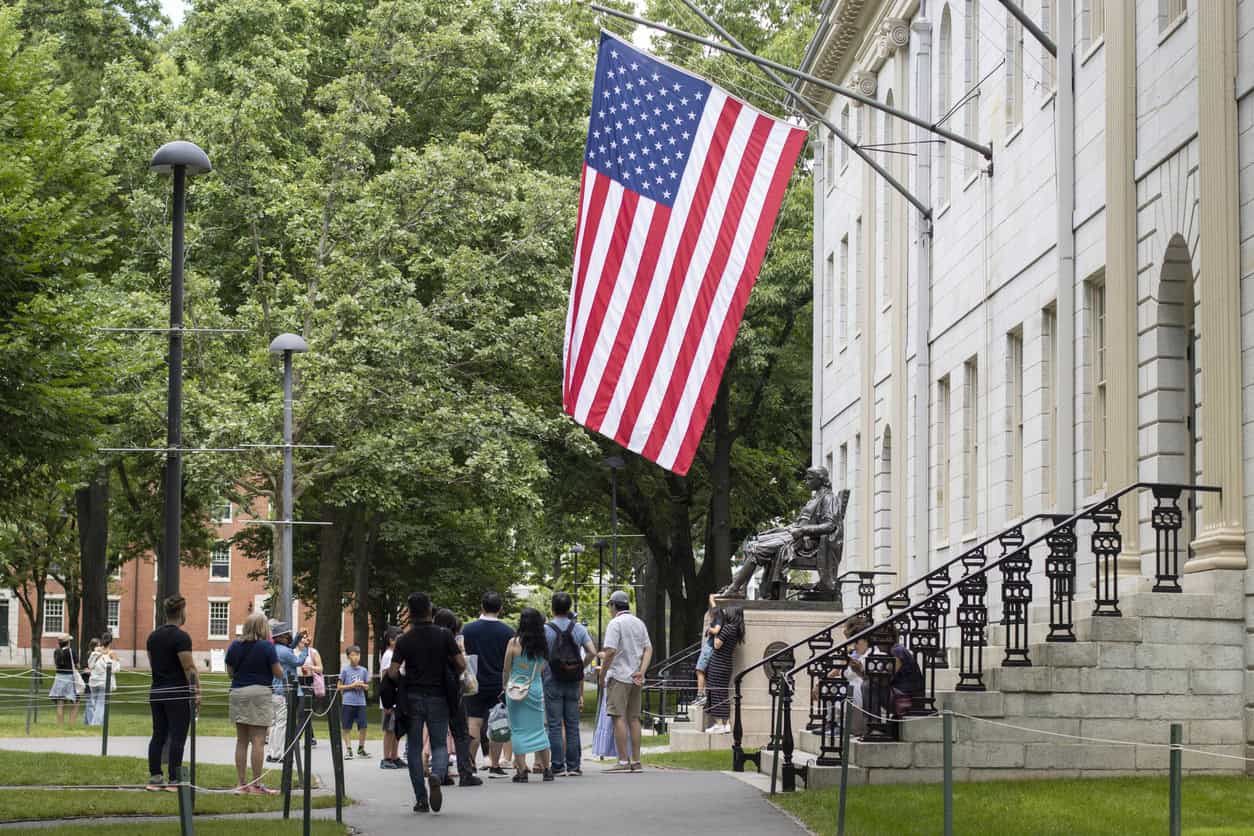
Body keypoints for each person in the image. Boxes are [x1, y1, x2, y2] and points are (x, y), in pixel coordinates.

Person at [388, 592, 466, 814]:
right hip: (439, 696)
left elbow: (393, 672)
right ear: (430, 610)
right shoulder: (444, 636)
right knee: (439, 743)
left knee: (414, 747)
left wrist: (403, 679)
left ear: (411, 613)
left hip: (412, 697)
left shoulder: (404, 639)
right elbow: (461, 664)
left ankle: (420, 799)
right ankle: (437, 774)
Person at [225, 612, 283, 794]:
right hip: (260, 692)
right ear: (263, 627)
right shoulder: (267, 647)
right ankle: (257, 784)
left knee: (241, 740)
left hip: (238, 692)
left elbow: (230, 671)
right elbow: (278, 672)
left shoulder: (235, 645)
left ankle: (241, 784)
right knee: (258, 740)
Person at [145, 595, 199, 791]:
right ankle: (174, 779)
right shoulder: (181, 637)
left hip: (157, 690)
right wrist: (196, 692)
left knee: (158, 734)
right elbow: (189, 667)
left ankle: (155, 776)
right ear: (181, 612)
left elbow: (152, 663)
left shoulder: (152, 637)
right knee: (178, 736)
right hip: (177, 692)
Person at [460, 591, 515, 778]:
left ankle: (469, 763)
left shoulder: (467, 630)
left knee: (473, 721)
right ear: (500, 608)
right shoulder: (508, 632)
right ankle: (494, 764)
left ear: (482, 607)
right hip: (498, 684)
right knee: (498, 723)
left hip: (473, 682)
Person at [599, 590, 652, 773]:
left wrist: (602, 674)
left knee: (618, 717)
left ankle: (622, 761)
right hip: (635, 677)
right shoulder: (639, 623)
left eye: (609, 606)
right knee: (634, 718)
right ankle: (636, 761)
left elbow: (610, 651)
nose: (609, 610)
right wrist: (641, 671)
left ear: (613, 605)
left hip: (618, 676)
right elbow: (648, 649)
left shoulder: (615, 623)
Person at [543, 591, 595, 777]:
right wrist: (581, 666)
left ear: (552, 608)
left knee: (555, 724)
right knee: (573, 724)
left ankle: (557, 765)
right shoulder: (579, 629)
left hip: (552, 680)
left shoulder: (545, 629)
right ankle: (573, 765)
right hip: (573, 681)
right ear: (569, 608)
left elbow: (541, 657)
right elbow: (591, 651)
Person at [502, 607, 551, 782]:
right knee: (539, 728)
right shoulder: (542, 644)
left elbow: (506, 668)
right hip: (535, 688)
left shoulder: (513, 643)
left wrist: (504, 686)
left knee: (518, 730)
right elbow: (542, 667)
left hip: (516, 689)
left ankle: (522, 771)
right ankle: (547, 769)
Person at [434, 608, 482, 787]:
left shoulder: (429, 639)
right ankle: (465, 772)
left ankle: (440, 772)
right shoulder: (451, 640)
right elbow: (461, 664)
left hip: (434, 692)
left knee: (439, 734)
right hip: (453, 691)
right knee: (460, 733)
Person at [265, 622, 309, 763]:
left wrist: (298, 636)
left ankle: (271, 752)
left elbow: (290, 648)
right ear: (281, 637)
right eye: (287, 635)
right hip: (283, 692)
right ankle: (278, 754)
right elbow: (298, 661)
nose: (289, 636)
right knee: (281, 724)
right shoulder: (284, 652)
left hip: (272, 691)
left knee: (273, 723)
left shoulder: (274, 649)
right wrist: (306, 648)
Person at [703, 607, 744, 734]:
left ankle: (719, 723)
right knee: (722, 694)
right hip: (726, 664)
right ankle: (726, 724)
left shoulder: (727, 628)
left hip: (718, 664)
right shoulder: (737, 630)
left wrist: (715, 632)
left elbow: (717, 645)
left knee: (716, 693)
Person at [378, 626, 405, 769]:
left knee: (396, 729)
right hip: (389, 699)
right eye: (399, 638)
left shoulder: (397, 654)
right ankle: (386, 757)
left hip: (396, 698)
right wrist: (387, 702)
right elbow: (386, 681)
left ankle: (395, 756)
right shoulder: (389, 655)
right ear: (391, 640)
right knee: (389, 730)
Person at [338, 644, 370, 760]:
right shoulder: (345, 670)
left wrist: (362, 685)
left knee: (363, 726)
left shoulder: (364, 670)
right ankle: (348, 749)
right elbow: (339, 687)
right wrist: (352, 685)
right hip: (348, 702)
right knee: (346, 727)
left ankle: (361, 748)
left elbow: (367, 686)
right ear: (348, 657)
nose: (355, 657)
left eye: (357, 655)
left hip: (361, 702)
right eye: (352, 655)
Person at [692, 596, 723, 707]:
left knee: (700, 670)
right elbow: (710, 597)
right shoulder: (717, 611)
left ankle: (701, 695)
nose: (709, 615)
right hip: (708, 647)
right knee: (700, 671)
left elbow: (716, 630)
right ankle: (702, 694)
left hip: (709, 648)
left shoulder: (718, 617)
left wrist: (709, 629)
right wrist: (720, 595)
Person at [86, 632, 121, 727]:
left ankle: (100, 723)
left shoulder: (95, 652)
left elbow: (90, 665)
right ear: (111, 642)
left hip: (94, 681)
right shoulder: (111, 654)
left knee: (96, 703)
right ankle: (95, 724)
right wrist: (117, 660)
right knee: (101, 704)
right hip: (104, 681)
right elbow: (115, 669)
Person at [590, 650, 617, 761]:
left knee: (611, 716)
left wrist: (598, 654)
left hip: (612, 680)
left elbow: (609, 654)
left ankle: (616, 751)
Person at [48, 634, 80, 726]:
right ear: (68, 642)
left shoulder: (56, 652)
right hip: (69, 678)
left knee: (60, 702)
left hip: (59, 678)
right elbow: (77, 665)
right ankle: (71, 724)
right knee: (75, 702)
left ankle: (60, 725)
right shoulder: (71, 652)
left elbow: (56, 664)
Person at [300, 640, 324, 747]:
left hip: (309, 683)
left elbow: (320, 668)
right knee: (302, 711)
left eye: (305, 639)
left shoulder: (312, 652)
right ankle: (310, 736)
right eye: (301, 640)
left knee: (303, 710)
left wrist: (310, 667)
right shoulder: (293, 651)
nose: (303, 642)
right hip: (296, 682)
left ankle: (299, 735)